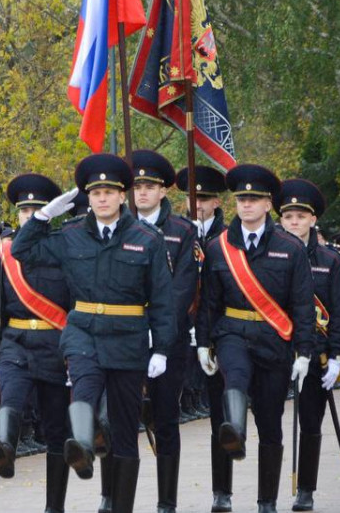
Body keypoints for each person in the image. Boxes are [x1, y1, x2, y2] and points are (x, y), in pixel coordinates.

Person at [11, 153, 175, 513]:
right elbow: (22, 251)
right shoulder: (69, 235)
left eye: (108, 191)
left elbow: (163, 299)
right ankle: (82, 445)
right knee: (83, 389)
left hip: (129, 339)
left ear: (122, 196)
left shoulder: (147, 239)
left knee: (123, 430)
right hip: (83, 334)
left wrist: (161, 348)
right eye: (95, 192)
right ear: (88, 197)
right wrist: (42, 217)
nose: (101, 198)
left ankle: (120, 505)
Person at [197, 165, 314, 513]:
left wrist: (304, 351)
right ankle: (223, 488)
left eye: (254, 199)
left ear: (267, 204)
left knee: (270, 421)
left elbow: (303, 305)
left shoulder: (290, 249)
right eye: (241, 199)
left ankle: (267, 501)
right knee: (233, 380)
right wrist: (204, 342)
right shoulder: (219, 248)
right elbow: (208, 303)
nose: (246, 205)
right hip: (232, 332)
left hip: (273, 341)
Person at [0, 173, 70, 513]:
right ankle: (5, 449)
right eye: (24, 212)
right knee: (12, 399)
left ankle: (54, 506)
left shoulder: (64, 249)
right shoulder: (1, 256)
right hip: (16, 341)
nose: (29, 217)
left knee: (56, 428)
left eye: (37, 209)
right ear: (17, 215)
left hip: (55, 343)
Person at [127, 150, 200, 513]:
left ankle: (166, 501)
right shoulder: (120, 226)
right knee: (120, 420)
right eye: (137, 185)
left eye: (148, 186)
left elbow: (183, 287)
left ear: (162, 191)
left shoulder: (183, 231)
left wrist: (160, 332)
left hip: (168, 340)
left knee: (166, 419)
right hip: (125, 336)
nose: (141, 192)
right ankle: (114, 497)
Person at [274, 179, 340, 513]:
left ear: (312, 220)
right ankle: (267, 491)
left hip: (316, 355)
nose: (294, 221)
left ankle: (305, 489)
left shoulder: (331, 261)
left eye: (300, 216)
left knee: (310, 422)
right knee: (269, 421)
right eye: (288, 215)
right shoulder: (268, 255)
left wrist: (336, 356)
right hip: (275, 352)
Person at [177, 165, 232, 512]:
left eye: (203, 199)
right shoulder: (177, 234)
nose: (196, 204)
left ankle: (221, 490)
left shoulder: (228, 237)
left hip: (214, 334)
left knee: (219, 417)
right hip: (177, 332)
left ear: (215, 202)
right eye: (190, 198)